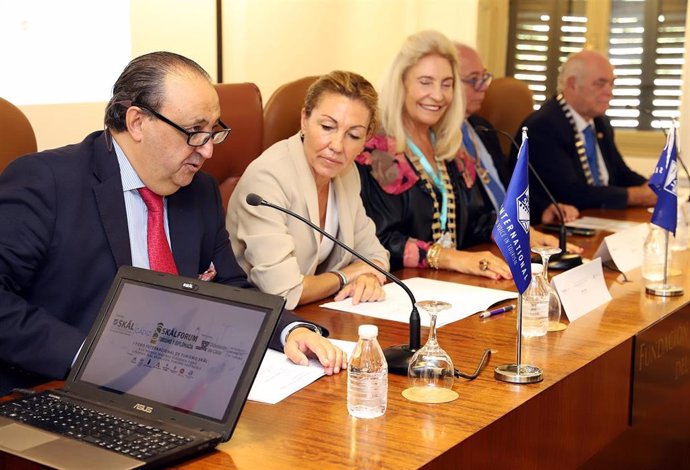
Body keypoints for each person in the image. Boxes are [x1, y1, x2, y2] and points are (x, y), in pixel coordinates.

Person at [0, 52, 344, 395]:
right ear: (137, 122)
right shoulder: (46, 183)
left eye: (214, 132)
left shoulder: (199, 191)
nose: (207, 151)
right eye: (194, 132)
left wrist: (290, 331)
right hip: (55, 389)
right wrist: (90, 355)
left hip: (171, 389)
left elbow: (229, 288)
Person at [356, 30, 566, 279]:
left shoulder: (450, 146)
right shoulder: (377, 151)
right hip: (398, 289)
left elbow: (476, 220)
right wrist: (452, 258)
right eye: (425, 82)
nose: (438, 95)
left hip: (452, 285)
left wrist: (521, 234)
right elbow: (380, 240)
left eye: (446, 84)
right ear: (401, 84)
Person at [227, 71, 389, 310]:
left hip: (315, 314)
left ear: (366, 139)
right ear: (304, 119)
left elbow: (375, 256)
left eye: (353, 135)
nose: (336, 146)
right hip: (253, 320)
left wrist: (367, 278)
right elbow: (284, 291)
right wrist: (346, 276)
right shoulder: (268, 177)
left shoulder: (346, 173)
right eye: (327, 127)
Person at [456, 42, 581, 228]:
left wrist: (543, 208)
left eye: (484, 77)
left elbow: (507, 191)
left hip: (509, 237)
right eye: (474, 79)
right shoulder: (436, 139)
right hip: (479, 243)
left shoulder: (483, 129)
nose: (483, 87)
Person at [515, 50, 656, 210]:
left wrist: (649, 187)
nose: (609, 92)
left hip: (601, 215)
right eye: (600, 83)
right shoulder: (543, 126)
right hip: (560, 223)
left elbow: (619, 172)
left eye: (612, 84)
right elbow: (571, 193)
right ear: (572, 84)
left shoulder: (600, 122)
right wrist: (635, 196)